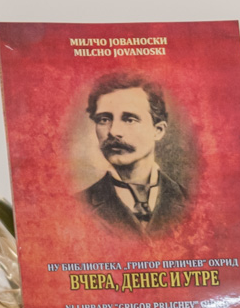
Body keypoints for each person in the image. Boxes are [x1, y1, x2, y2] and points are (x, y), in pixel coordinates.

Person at [78, 72, 187, 234]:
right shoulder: (77, 206)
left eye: (130, 119)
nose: (114, 131)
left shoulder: (192, 203)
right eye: (104, 120)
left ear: (158, 130)